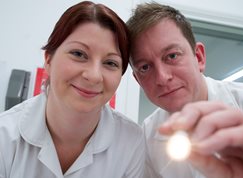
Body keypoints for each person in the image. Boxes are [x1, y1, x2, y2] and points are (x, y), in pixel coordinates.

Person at [0, 1, 145, 178]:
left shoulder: (131, 142)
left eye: (110, 63)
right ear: (48, 60)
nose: (93, 76)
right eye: (78, 54)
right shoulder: (4, 137)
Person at [127, 2, 243, 178]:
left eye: (172, 56)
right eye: (144, 67)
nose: (162, 77)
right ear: (137, 80)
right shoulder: (147, 135)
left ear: (199, 57)